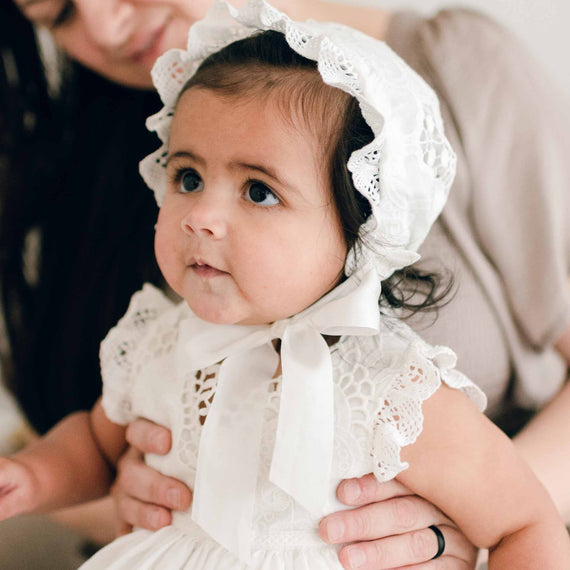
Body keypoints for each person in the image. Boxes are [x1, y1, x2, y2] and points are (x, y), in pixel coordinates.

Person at [2, 0, 570, 568]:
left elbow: (526, 520)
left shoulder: (390, 390)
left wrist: (460, 529)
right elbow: (96, 445)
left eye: (258, 192)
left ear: (357, 233)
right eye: (188, 178)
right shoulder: (165, 341)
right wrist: (36, 476)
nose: (199, 215)